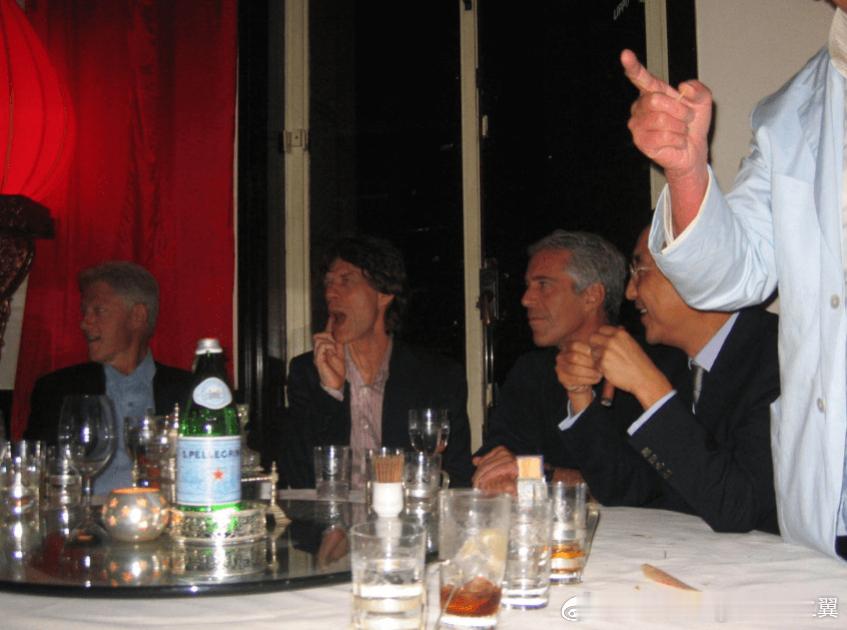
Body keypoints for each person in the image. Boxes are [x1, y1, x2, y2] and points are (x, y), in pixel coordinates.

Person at [619, 3, 847, 558]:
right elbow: (734, 274)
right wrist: (686, 173)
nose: (631, 291)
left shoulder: (754, 359)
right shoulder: (790, 110)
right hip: (831, 502)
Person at [556, 227, 780, 533]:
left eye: (640, 272)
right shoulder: (669, 360)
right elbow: (627, 489)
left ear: (695, 271)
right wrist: (580, 395)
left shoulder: (779, 355)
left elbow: (739, 507)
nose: (630, 292)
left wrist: (649, 386)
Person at [282, 235, 474, 488]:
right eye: (328, 283)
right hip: (334, 513)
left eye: (346, 281)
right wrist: (331, 392)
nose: (330, 293)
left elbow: (457, 477)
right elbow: (298, 477)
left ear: (384, 294)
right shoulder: (307, 371)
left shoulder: (438, 377)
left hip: (406, 513)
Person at [472, 230, 626, 494]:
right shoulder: (531, 372)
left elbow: (640, 487)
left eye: (543, 285)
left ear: (592, 295)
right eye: (528, 285)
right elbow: (495, 458)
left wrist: (539, 473)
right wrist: (505, 472)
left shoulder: (645, 373)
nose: (526, 299)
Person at [25, 261, 192, 493]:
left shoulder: (191, 392)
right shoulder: (57, 390)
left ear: (137, 316)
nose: (85, 323)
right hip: (85, 514)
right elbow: (36, 475)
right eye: (85, 312)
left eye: (98, 311)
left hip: (165, 512)